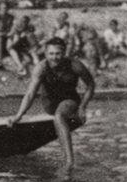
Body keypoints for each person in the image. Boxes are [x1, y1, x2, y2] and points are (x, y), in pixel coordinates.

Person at [6, 37, 95, 168]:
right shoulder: (41, 68)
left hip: (70, 100)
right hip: (50, 103)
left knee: (60, 116)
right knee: (58, 114)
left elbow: (90, 85)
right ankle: (67, 160)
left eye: (58, 53)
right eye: (51, 54)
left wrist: (82, 107)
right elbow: (30, 94)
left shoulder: (75, 65)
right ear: (45, 54)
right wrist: (18, 115)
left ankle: (69, 161)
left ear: (64, 53)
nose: (54, 57)